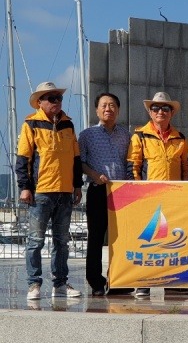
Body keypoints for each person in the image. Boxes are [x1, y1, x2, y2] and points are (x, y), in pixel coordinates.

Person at [16, 81, 83, 300]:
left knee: (61, 242)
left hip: (65, 191)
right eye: (51, 98)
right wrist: (25, 187)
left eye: (59, 98)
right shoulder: (31, 124)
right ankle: (34, 284)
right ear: (40, 102)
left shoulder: (68, 125)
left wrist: (77, 187)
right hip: (41, 191)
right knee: (35, 241)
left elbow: (75, 159)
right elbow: (23, 158)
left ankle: (60, 283)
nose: (57, 101)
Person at [127, 92, 188, 298]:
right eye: (155, 108)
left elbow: (185, 169)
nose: (160, 112)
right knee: (148, 242)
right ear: (150, 112)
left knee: (173, 242)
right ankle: (144, 282)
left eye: (165, 108)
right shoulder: (140, 136)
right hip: (148, 198)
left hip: (174, 197)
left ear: (171, 113)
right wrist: (137, 193)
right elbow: (133, 166)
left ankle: (172, 281)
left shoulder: (180, 138)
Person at [79, 93, 132, 296]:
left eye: (112, 105)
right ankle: (96, 281)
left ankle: (120, 279)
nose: (108, 108)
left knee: (121, 238)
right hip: (98, 190)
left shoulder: (126, 136)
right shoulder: (86, 135)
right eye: (104, 105)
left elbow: (129, 162)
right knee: (95, 237)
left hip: (122, 192)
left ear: (118, 109)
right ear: (97, 110)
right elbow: (80, 163)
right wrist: (94, 174)